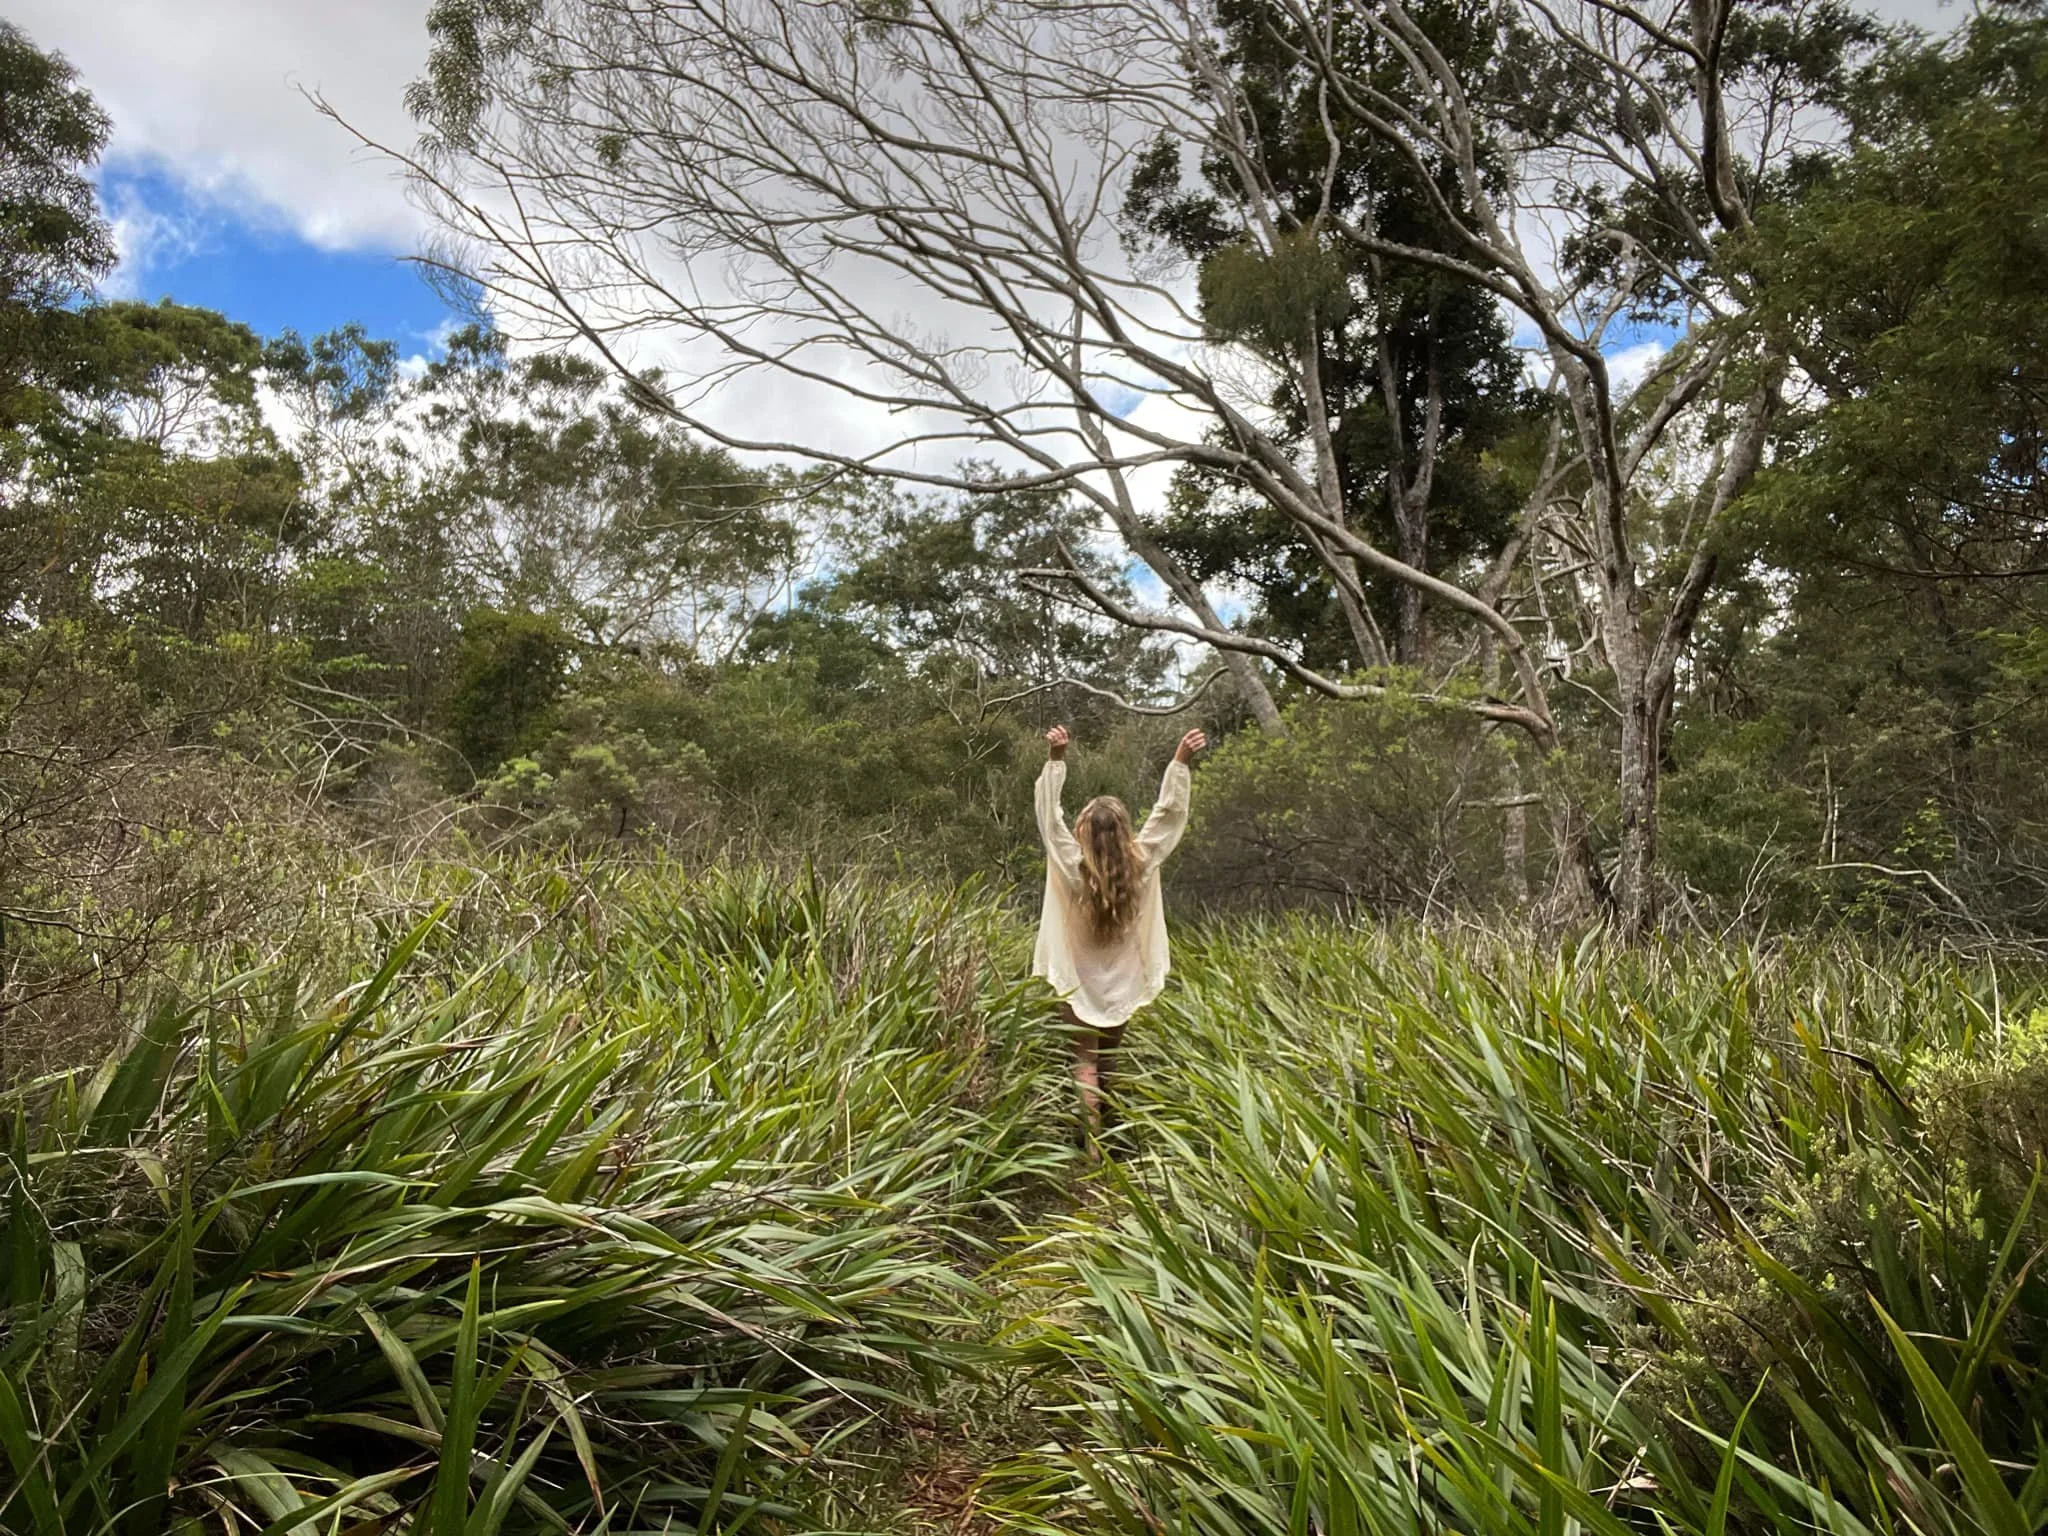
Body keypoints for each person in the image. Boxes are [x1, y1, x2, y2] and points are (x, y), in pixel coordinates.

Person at [1032, 723, 1206, 1148]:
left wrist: (1056, 761)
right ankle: (1111, 1139)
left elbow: (1049, 821)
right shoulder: (1141, 863)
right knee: (1107, 1060)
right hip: (1122, 978)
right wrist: (1179, 762)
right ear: (1125, 831)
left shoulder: (1072, 865)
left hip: (1079, 978)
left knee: (1085, 1062)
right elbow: (1167, 818)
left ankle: (1091, 1151)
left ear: (1084, 834)